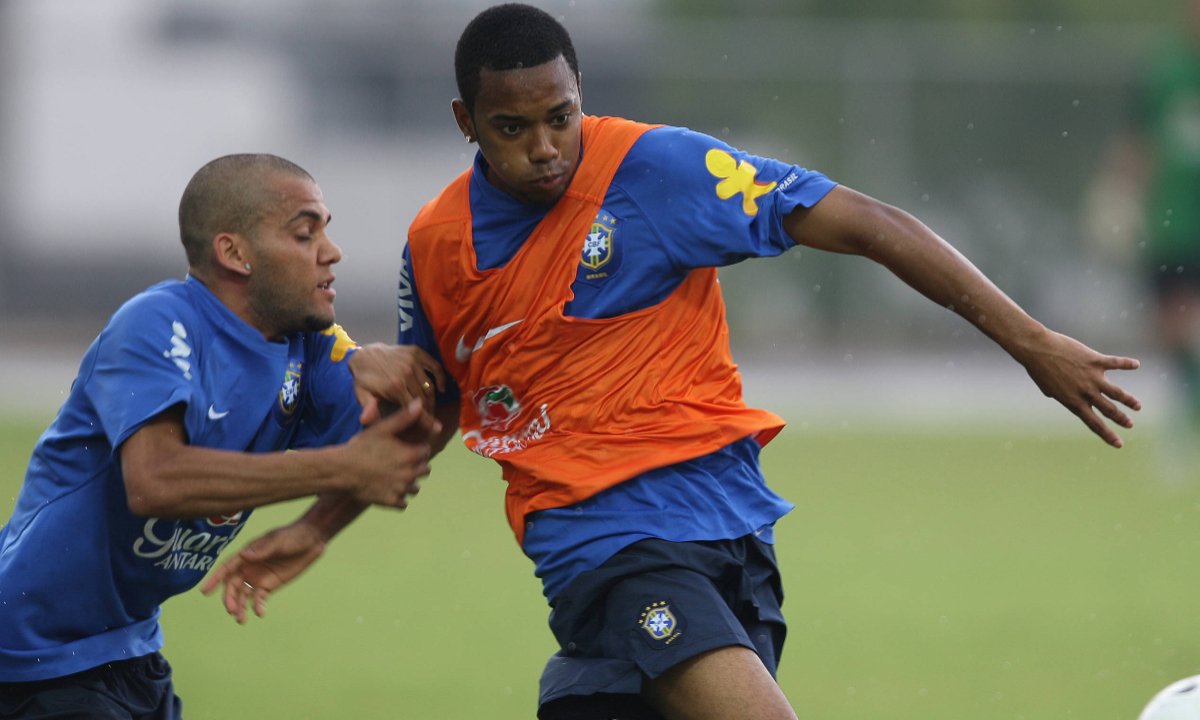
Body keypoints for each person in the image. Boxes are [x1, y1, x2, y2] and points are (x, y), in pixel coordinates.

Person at [208, 6, 1143, 720]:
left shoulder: (657, 173)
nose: (543, 148)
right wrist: (322, 525)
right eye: (510, 128)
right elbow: (439, 404)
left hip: (733, 525)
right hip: (604, 541)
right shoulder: (437, 245)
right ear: (466, 119)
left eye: (559, 116)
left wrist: (1032, 342)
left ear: (580, 94)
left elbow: (869, 223)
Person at [0, 153, 445, 720]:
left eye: (326, 230)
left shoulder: (306, 347)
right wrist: (342, 467)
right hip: (29, 658)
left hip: (131, 649)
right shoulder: (156, 323)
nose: (331, 251)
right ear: (234, 253)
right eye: (305, 231)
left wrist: (317, 526)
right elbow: (155, 480)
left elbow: (400, 442)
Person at [1087, 0, 1200, 435]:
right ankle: (1190, 415)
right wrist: (1114, 196)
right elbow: (1138, 141)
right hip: (1174, 221)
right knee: (1173, 324)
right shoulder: (1163, 69)